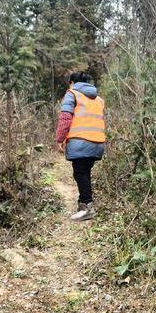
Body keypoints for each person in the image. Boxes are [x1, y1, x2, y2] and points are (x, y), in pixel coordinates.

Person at [55, 72, 106, 221]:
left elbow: (65, 118)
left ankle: (88, 207)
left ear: (72, 83)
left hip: (80, 141)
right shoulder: (98, 99)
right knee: (85, 172)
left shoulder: (72, 94)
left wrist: (60, 139)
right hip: (98, 142)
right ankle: (83, 203)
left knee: (80, 173)